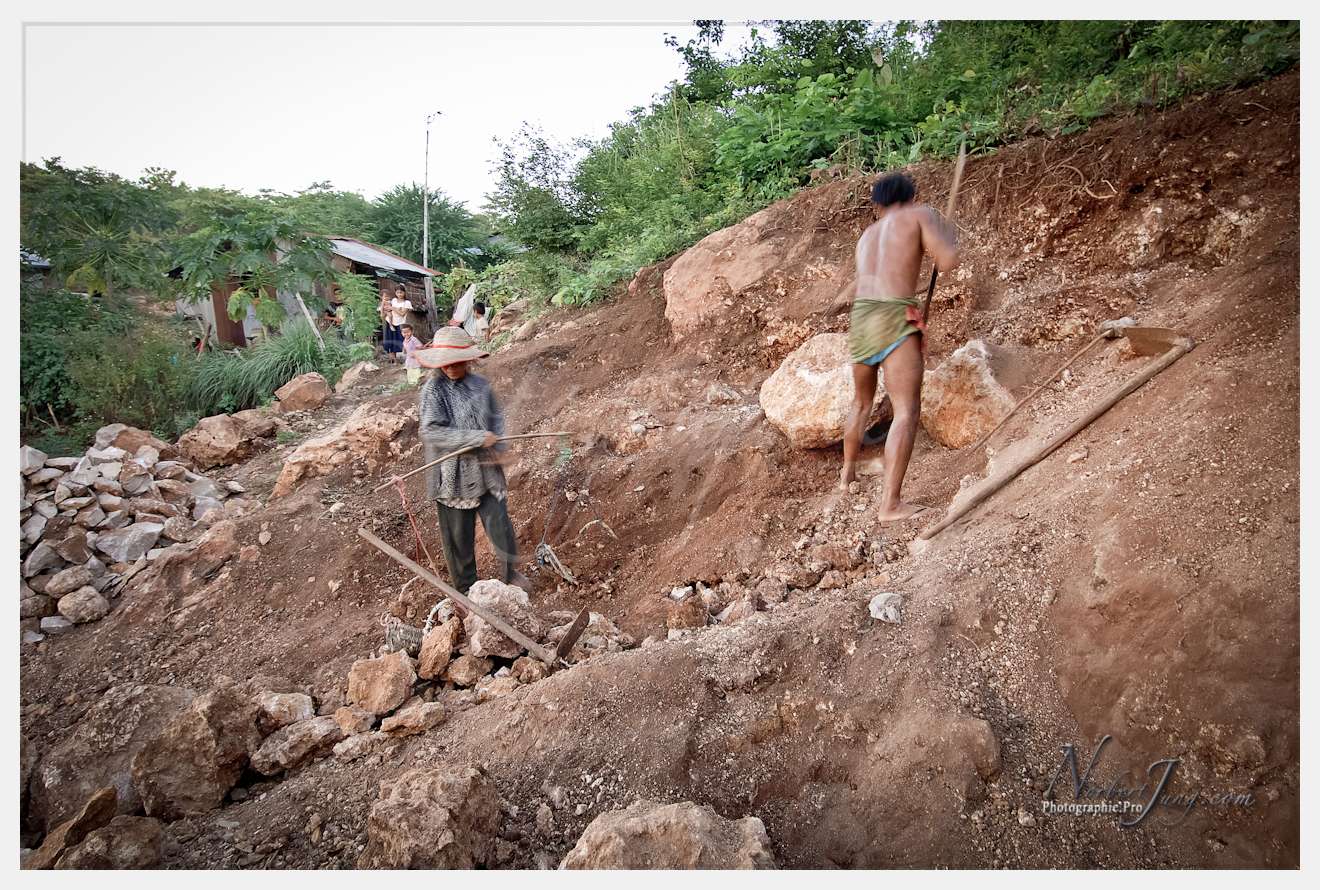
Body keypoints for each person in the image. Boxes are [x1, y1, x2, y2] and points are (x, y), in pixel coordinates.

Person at [836, 171, 959, 522]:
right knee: (906, 410)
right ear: (910, 196)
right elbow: (947, 260)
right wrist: (945, 237)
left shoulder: (866, 236)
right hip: (893, 314)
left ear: (878, 204)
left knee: (860, 402)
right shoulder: (919, 214)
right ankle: (890, 505)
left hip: (861, 318)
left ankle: (847, 475)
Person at [412, 326, 530, 595]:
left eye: (457, 362)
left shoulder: (481, 386)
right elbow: (431, 431)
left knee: (500, 523)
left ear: (468, 360)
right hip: (453, 474)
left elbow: (496, 420)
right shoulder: (433, 390)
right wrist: (476, 438)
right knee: (458, 536)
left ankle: (510, 576)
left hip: (486, 470)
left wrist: (500, 444)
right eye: (446, 363)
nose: (451, 367)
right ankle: (465, 589)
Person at [380, 284, 413, 363]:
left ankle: (408, 359)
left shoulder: (407, 302)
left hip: (400, 324)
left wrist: (393, 308)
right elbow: (386, 308)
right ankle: (393, 360)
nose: (399, 294)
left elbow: (402, 314)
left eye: (401, 292)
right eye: (397, 293)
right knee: (390, 340)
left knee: (402, 341)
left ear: (404, 292)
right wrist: (392, 309)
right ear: (395, 293)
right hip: (390, 322)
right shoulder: (394, 300)